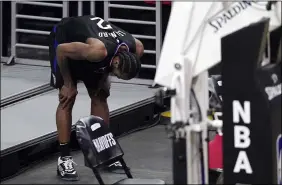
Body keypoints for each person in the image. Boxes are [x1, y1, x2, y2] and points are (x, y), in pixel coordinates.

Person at [48, 15, 144, 181]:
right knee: (67, 98)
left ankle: (102, 154)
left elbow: (119, 63)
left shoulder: (137, 47)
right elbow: (61, 50)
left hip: (92, 51)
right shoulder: (97, 51)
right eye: (117, 75)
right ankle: (64, 159)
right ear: (115, 63)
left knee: (101, 95)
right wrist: (69, 83)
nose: (116, 78)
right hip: (66, 45)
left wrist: (106, 77)